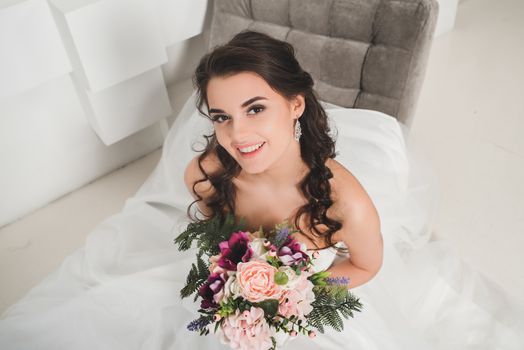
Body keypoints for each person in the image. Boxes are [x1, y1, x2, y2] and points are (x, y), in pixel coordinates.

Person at [0, 30, 523, 349]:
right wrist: (233, 274)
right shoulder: (207, 173)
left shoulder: (345, 202)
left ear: (294, 105)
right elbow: (212, 224)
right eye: (223, 117)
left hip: (303, 305)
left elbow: (364, 266)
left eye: (256, 109)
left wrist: (299, 296)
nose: (238, 136)